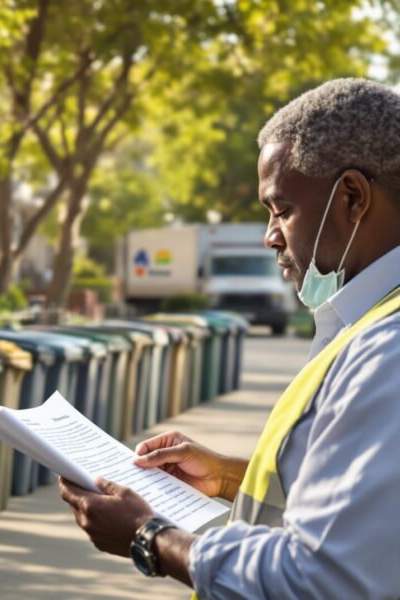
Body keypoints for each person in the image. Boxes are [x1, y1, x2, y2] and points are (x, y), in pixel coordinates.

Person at [59, 78, 400, 598]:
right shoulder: (368, 323)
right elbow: (363, 508)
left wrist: (150, 536)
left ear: (352, 198)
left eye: (282, 209)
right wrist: (226, 477)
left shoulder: (387, 350)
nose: (270, 236)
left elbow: (322, 578)